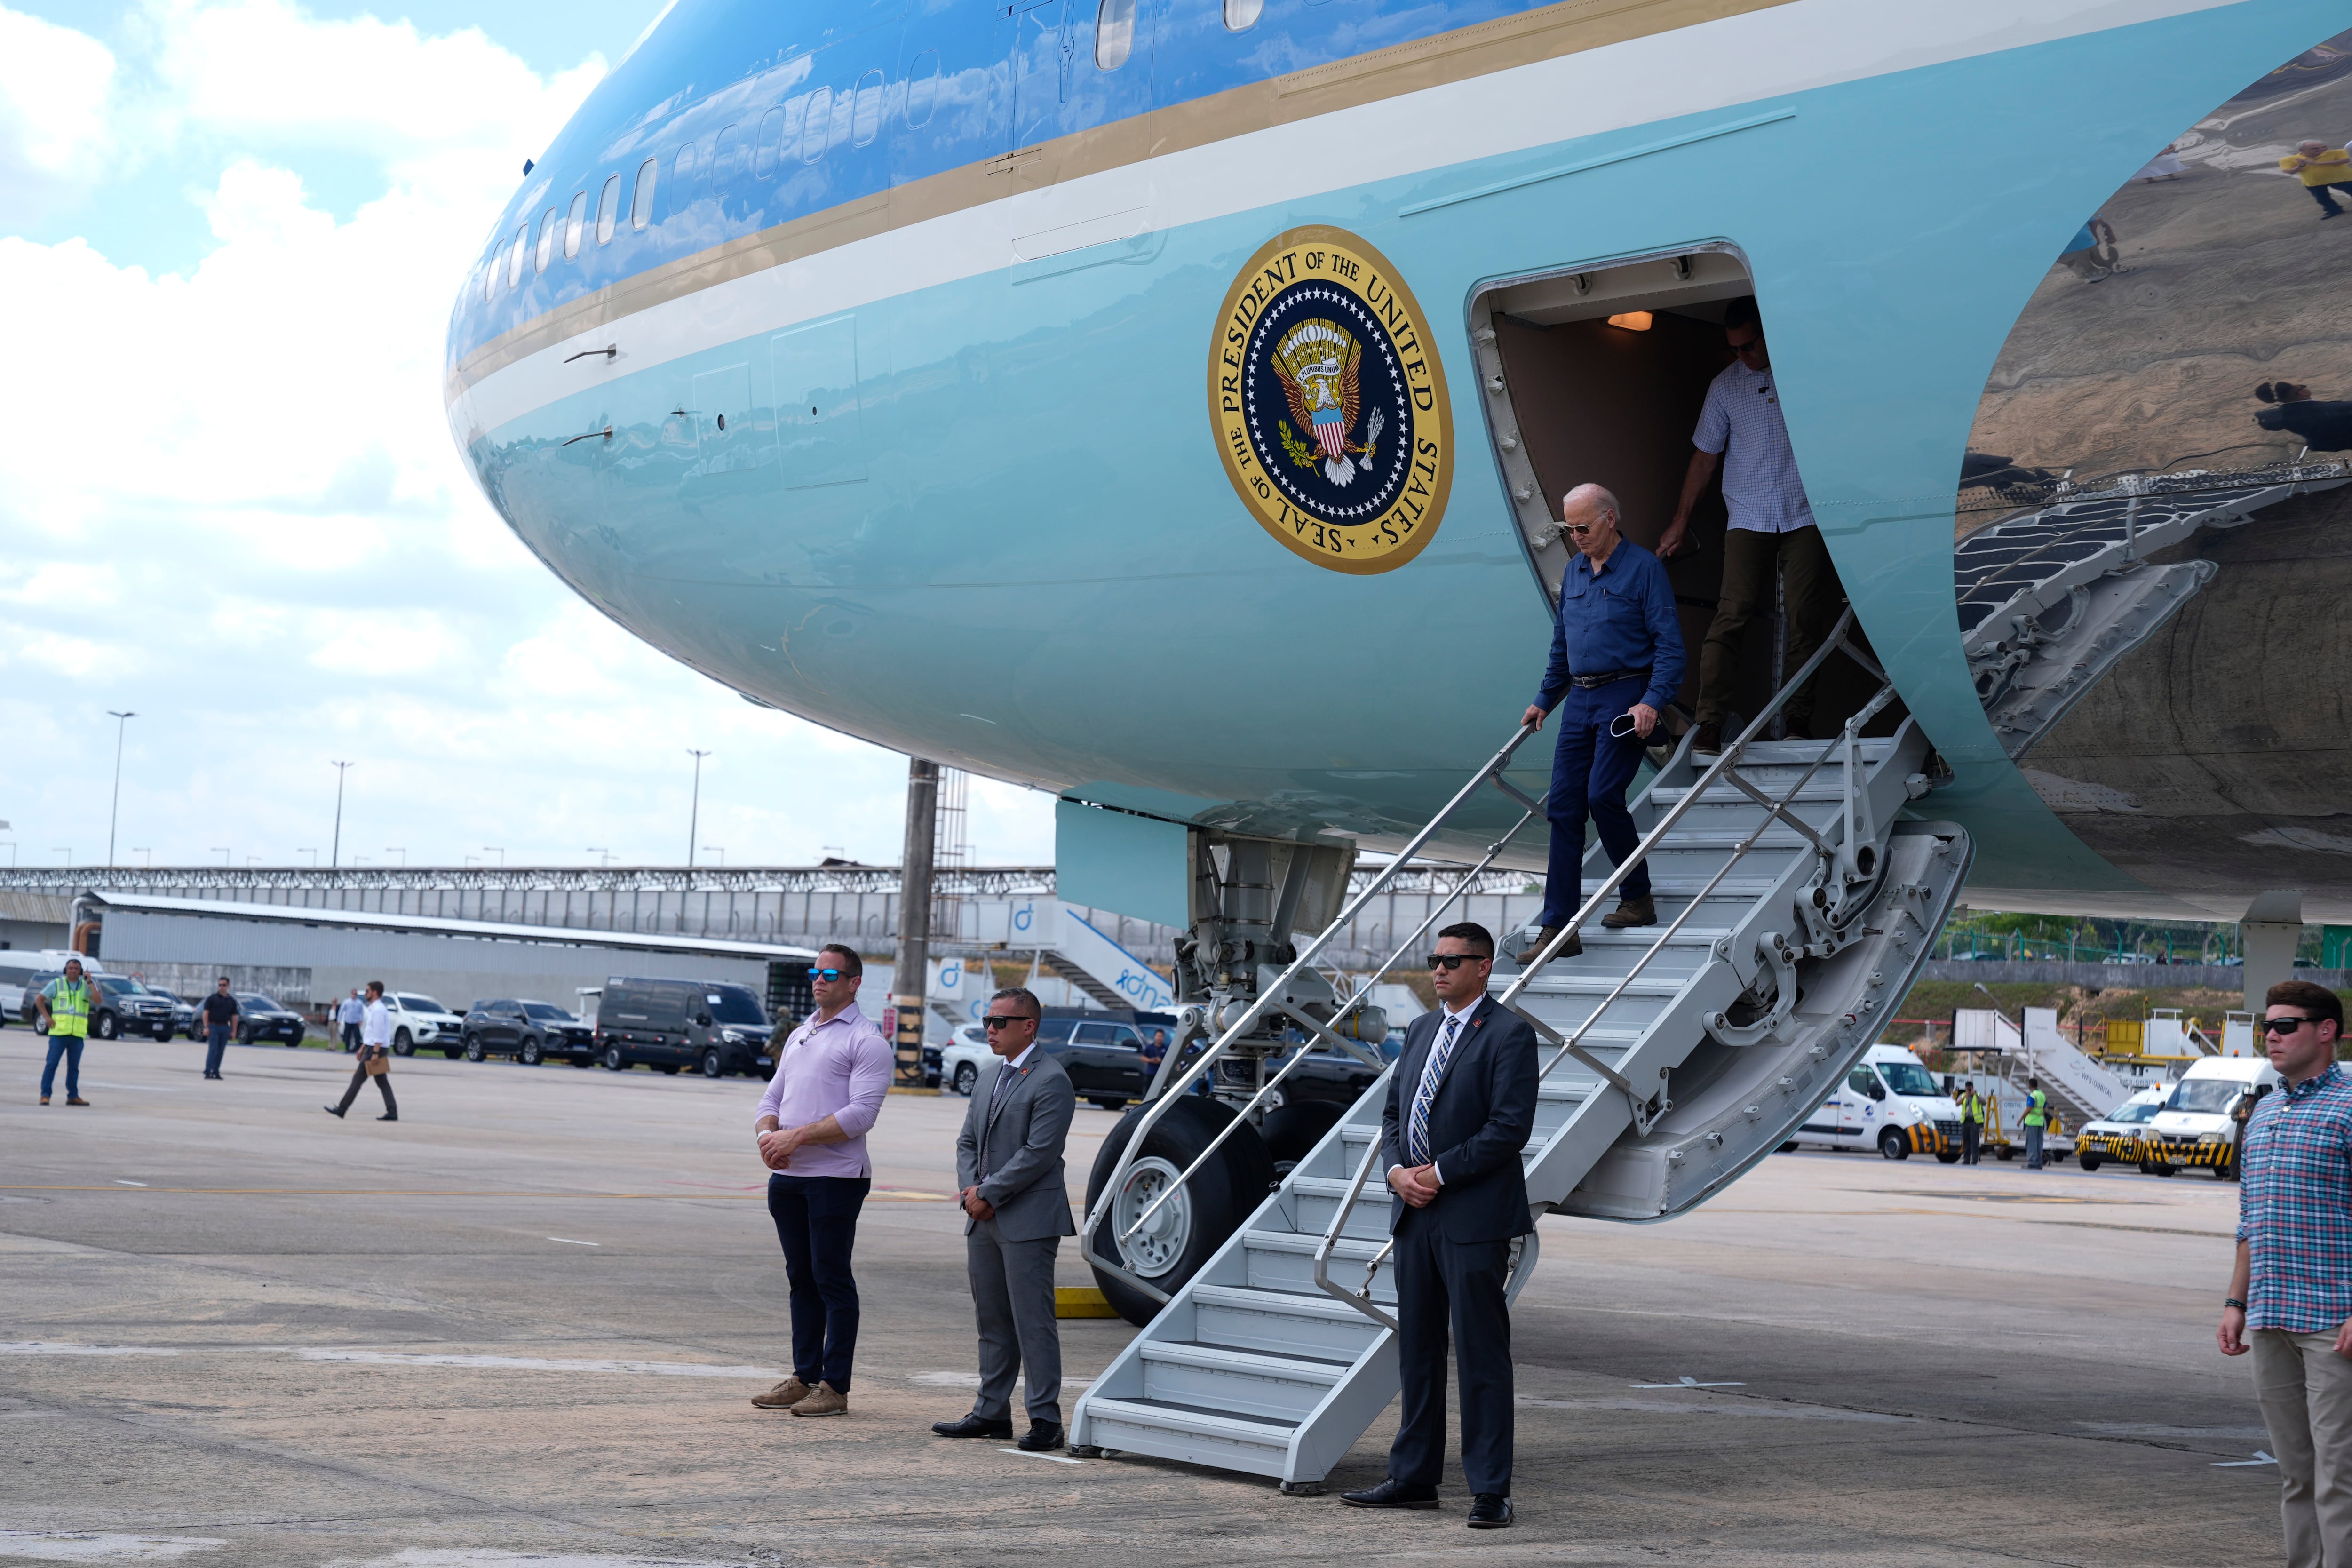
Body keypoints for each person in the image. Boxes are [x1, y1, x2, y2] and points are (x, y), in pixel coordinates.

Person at [1342, 923, 1538, 1530]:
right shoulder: (1422, 1029)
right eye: (1434, 959)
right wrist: (1398, 1171)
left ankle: (1489, 1490)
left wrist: (1440, 1173)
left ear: (1483, 967)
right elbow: (1395, 1112)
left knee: (1481, 1355)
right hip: (1414, 1215)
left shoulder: (1509, 1034)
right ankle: (1413, 1478)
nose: (1439, 970)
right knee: (1418, 1354)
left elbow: (1509, 1129)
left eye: (1453, 960)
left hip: (1471, 1218)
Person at [1658, 297, 1839, 754]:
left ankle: (1798, 722)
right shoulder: (1724, 387)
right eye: (1734, 349)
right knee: (1731, 615)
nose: (1742, 356)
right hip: (1748, 515)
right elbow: (1704, 458)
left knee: (1804, 617)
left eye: (1748, 346)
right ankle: (1709, 724)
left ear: (1768, 334)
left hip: (1804, 513)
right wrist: (1679, 523)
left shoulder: (1807, 375)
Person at [1519, 484, 1685, 960]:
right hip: (1579, 699)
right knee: (1564, 809)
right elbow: (1562, 646)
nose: (1574, 536)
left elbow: (1671, 647)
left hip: (1625, 694)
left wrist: (1652, 701)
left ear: (1609, 520)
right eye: (1567, 528)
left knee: (1601, 796)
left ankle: (1636, 896)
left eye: (1581, 527)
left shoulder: (1643, 570)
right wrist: (1544, 699)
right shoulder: (1573, 572)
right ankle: (1559, 928)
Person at [2218, 981, 2352, 1568]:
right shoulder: (2265, 1111)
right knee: (2295, 1474)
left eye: (2285, 1025)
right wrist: (2234, 1303)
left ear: (2326, 1031)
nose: (2270, 1036)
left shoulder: (2348, 1108)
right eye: (2265, 1027)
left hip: (2332, 1323)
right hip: (2270, 1318)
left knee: (2338, 1474)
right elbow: (2251, 1219)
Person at [748, 943, 891, 1418]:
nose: (819, 978)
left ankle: (834, 1385)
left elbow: (860, 1116)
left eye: (831, 972)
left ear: (854, 983)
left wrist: (796, 1138)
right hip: (790, 1178)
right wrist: (769, 1137)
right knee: (800, 1279)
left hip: (836, 1177)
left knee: (831, 1279)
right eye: (816, 971)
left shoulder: (866, 1041)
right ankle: (803, 1376)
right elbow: (771, 1097)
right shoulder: (801, 1034)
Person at [933, 986, 1077, 1452]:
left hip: (1028, 1218)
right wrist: (970, 1194)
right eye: (987, 1021)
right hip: (983, 1216)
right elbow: (965, 1143)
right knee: (992, 1319)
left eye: (999, 1023)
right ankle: (991, 1412)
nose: (989, 1030)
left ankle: (1044, 1419)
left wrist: (989, 1193)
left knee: (1032, 1321)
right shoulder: (989, 1075)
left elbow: (1040, 1152)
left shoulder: (1050, 1079)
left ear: (1028, 1027)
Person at [325, 981, 398, 1121]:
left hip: (376, 1050)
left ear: (375, 993)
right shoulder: (375, 1008)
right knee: (382, 1082)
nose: (365, 994)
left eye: (368, 991)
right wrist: (362, 1048)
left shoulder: (378, 1010)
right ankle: (392, 1111)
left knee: (358, 1080)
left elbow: (379, 1033)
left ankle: (342, 1109)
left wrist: (375, 1053)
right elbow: (371, 1033)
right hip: (373, 1048)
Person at [35, 957, 95, 1107]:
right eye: (71, 968)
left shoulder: (86, 986)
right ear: (66, 970)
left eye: (76, 969)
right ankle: (45, 1095)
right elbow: (39, 1000)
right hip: (59, 1033)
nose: (73, 971)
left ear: (81, 971)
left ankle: (73, 1096)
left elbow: (98, 1000)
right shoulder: (57, 984)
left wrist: (90, 982)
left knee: (74, 1067)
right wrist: (47, 1018)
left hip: (77, 1034)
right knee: (52, 1064)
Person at [2255, 382, 2352, 453]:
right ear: (2303, 393)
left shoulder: (2284, 417)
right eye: (2302, 386)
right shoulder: (2338, 410)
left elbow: (2265, 417)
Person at [2280, 141, 2352, 218]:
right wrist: (2300, 166)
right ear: (2302, 150)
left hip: (2342, 178)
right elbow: (2289, 171)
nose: (2321, 150)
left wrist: (2317, 164)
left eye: (2324, 147)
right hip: (2314, 182)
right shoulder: (2290, 160)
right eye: (2315, 149)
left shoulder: (2338, 152)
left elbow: (2345, 160)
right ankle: (2333, 210)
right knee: (2322, 198)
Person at [197, 978, 240, 1080]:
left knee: (221, 1051)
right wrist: (206, 1027)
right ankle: (208, 1071)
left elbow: (234, 1017)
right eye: (220, 985)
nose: (222, 987)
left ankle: (216, 1071)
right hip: (213, 1027)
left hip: (225, 1027)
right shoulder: (212, 999)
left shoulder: (231, 1001)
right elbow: (206, 1013)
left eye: (224, 985)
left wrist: (234, 1031)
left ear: (228, 986)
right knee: (213, 1049)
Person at [2021, 1076, 2049, 1170]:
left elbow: (2029, 1109)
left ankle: (2032, 1163)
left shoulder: (2033, 1095)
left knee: (2031, 1144)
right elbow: (2044, 1110)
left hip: (2032, 1123)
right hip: (2040, 1122)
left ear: (2029, 1085)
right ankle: (2039, 1164)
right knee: (2039, 1144)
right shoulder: (2042, 1095)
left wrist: (2020, 1119)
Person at [1958, 1081, 1986, 1167]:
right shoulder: (1963, 1096)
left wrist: (1976, 1095)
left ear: (1973, 1088)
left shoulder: (1977, 1096)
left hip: (1975, 1122)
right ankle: (1966, 1159)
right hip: (1965, 1121)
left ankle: (1974, 1160)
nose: (1969, 1091)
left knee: (1974, 1141)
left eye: (1970, 1089)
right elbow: (1957, 1103)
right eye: (1968, 1089)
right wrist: (1964, 1097)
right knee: (1966, 1141)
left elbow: (1984, 1103)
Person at [338, 989, 366, 1053]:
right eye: (353, 994)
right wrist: (339, 1020)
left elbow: (362, 1012)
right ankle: (347, 1049)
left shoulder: (359, 1002)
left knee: (357, 1036)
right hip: (348, 1021)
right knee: (347, 1035)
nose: (354, 995)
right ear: (351, 994)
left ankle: (357, 1049)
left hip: (356, 1021)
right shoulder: (347, 1002)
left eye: (356, 994)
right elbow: (341, 1011)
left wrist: (361, 1020)